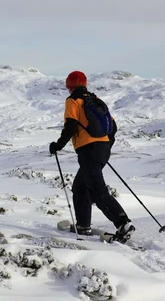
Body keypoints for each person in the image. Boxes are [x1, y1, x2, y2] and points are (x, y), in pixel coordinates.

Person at [49, 71, 135, 242]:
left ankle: (123, 224)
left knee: (97, 190)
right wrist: (104, 146)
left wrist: (57, 145)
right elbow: (113, 127)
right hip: (101, 149)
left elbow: (71, 126)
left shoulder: (73, 101)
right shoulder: (96, 101)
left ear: (69, 86)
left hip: (89, 150)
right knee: (80, 187)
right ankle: (82, 225)